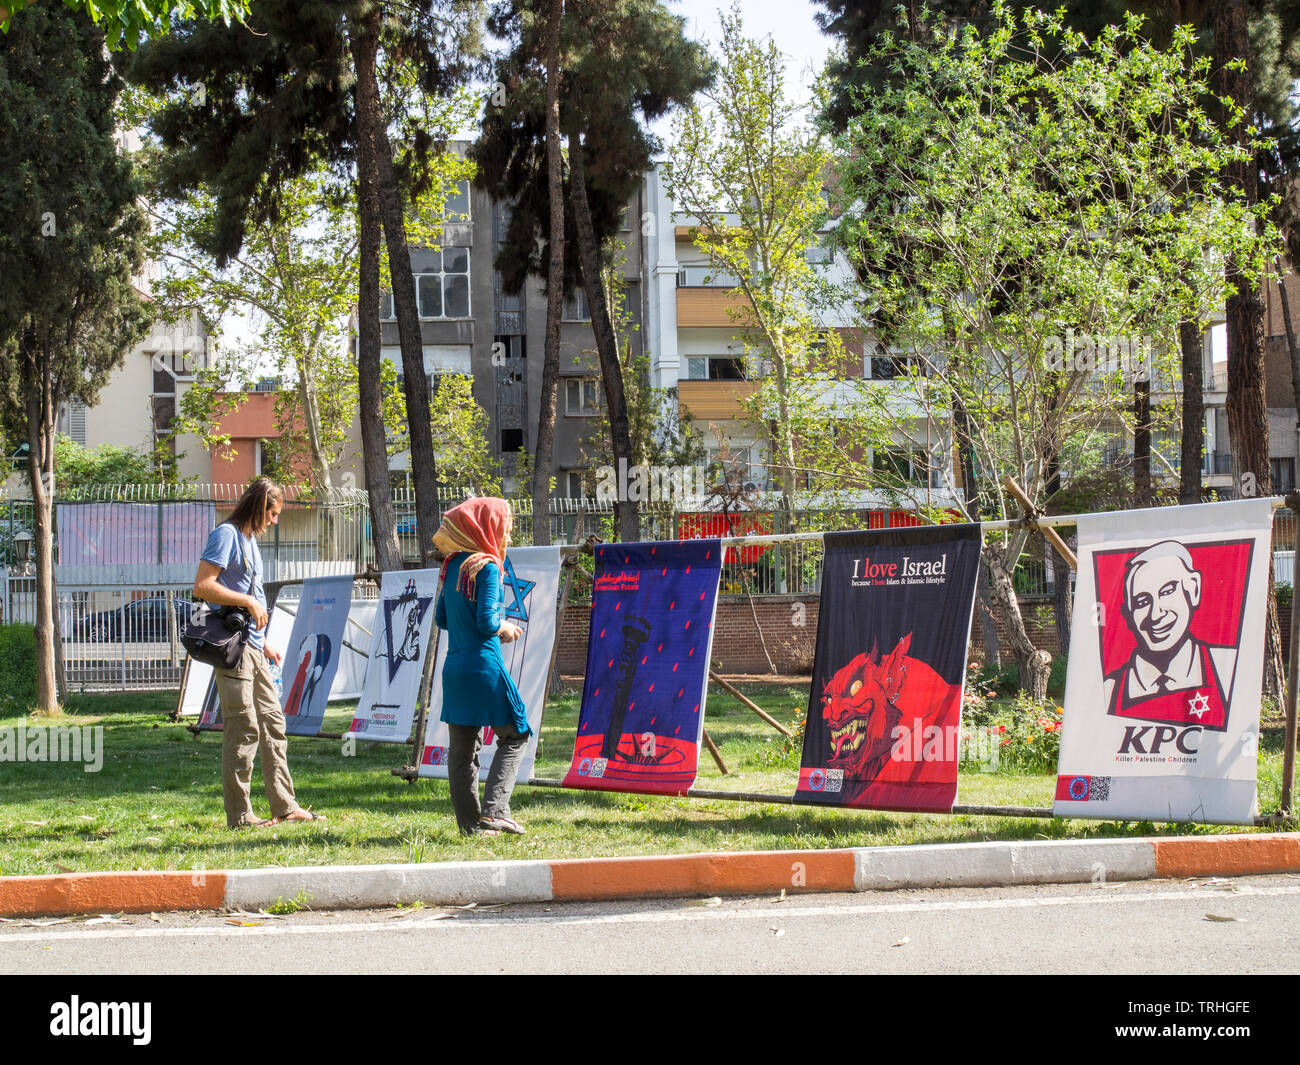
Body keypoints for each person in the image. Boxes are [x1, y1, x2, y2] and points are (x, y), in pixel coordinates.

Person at [193, 477, 324, 828]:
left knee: (273, 723)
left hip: (254, 647)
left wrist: (263, 639)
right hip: (233, 650)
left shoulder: (250, 541)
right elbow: (203, 585)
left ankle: (285, 806)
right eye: (274, 513)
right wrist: (249, 601)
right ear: (258, 505)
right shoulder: (227, 535)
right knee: (244, 725)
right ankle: (240, 815)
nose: (275, 521)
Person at [433, 497, 529, 836]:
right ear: (487, 525)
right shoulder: (486, 566)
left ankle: (471, 827)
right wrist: (504, 627)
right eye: (506, 527)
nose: (508, 536)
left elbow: (441, 617)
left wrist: (471, 624)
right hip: (484, 666)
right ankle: (496, 811)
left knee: (461, 753)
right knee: (517, 734)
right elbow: (488, 621)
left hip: (455, 668)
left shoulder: (452, 564)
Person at [1103, 540, 1236, 728]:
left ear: (1194, 588)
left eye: (1167, 591)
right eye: (1142, 602)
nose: (1156, 614)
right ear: (1128, 616)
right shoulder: (1109, 690)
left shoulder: (1228, 669)